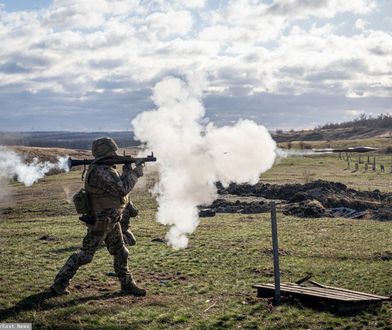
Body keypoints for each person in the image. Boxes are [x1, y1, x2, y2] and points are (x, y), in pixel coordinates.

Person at [50, 137, 146, 296]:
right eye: (112, 152)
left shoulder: (105, 169)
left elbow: (116, 187)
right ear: (105, 153)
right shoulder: (101, 171)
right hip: (102, 221)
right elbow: (122, 189)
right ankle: (60, 283)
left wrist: (127, 170)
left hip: (111, 220)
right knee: (86, 255)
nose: (115, 154)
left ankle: (127, 284)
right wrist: (135, 173)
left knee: (121, 253)